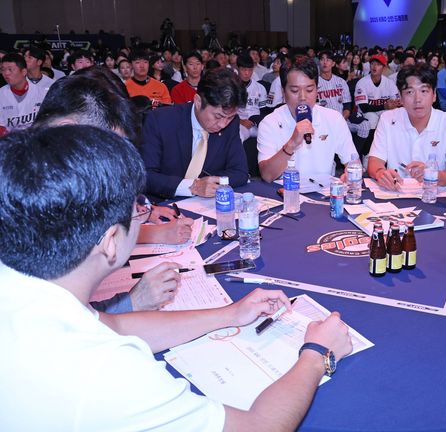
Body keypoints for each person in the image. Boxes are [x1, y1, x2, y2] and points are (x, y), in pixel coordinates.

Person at [0, 124, 352, 431]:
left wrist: (229, 315)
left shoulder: (27, 292)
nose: (144, 217)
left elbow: (111, 324)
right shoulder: (105, 371)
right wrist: (317, 353)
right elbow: (257, 427)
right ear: (109, 242)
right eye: (138, 210)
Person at [33, 69, 194, 312]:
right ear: (66, 131)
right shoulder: (23, 201)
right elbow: (56, 325)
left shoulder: (56, 177)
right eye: (107, 149)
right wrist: (132, 302)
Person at [141, 68, 249, 197]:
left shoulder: (232, 124)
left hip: (206, 206)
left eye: (230, 117)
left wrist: (212, 184)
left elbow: (240, 172)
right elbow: (146, 175)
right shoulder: (160, 121)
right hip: (165, 204)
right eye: (218, 116)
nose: (223, 124)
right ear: (198, 102)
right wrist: (193, 187)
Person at [367, 63, 446, 190]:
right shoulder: (388, 119)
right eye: (409, 92)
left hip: (434, 197)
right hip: (394, 194)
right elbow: (374, 161)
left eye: (424, 91)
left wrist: (433, 175)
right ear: (401, 98)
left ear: (434, 95)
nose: (417, 99)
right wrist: (380, 173)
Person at [257, 57, 357, 182]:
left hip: (323, 194)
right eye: (294, 90)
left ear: (317, 90)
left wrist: (350, 174)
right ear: (283, 92)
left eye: (309, 90)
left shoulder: (334, 119)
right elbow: (267, 175)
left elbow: (353, 162)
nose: (303, 97)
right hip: (286, 194)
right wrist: (292, 144)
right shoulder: (269, 123)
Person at [317, 50, 370, 146]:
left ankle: (355, 155)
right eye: (322, 59)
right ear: (319, 62)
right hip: (323, 122)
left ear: (333, 63)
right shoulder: (314, 83)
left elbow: (347, 105)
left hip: (342, 119)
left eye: (328, 60)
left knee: (365, 126)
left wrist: (341, 120)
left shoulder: (341, 81)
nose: (325, 62)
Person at [0, 53, 49, 135]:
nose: (6, 73)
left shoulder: (43, 94)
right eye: (3, 69)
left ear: (23, 72)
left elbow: (48, 123)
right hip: (10, 143)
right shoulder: (1, 94)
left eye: (10, 69)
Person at [354, 53, 400, 130]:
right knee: (372, 119)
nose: (374, 67)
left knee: (392, 119)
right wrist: (384, 106)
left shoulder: (389, 83)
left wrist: (393, 104)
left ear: (383, 67)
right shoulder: (362, 83)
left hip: (383, 110)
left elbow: (396, 102)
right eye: (372, 64)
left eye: (378, 64)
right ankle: (370, 141)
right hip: (366, 112)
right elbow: (364, 108)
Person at [236, 53, 267, 142]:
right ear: (238, 69)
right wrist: (241, 122)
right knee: (238, 137)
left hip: (255, 123)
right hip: (240, 123)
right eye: (243, 70)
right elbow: (226, 113)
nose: (247, 73)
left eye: (250, 70)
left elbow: (263, 111)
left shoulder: (260, 87)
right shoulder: (231, 87)